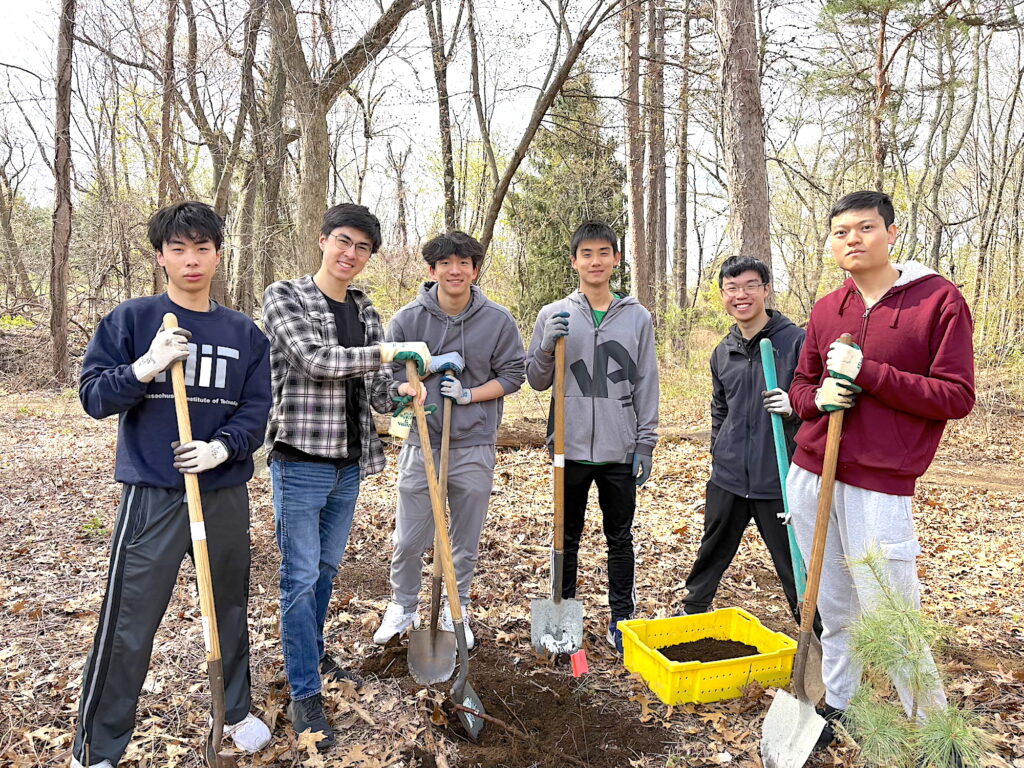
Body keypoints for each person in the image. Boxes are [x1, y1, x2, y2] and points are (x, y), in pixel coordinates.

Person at [72, 201, 272, 768]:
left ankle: (233, 711)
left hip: (223, 490)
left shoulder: (243, 334)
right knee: (129, 618)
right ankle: (99, 747)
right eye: (179, 249)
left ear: (217, 254)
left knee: (228, 605)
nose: (191, 260)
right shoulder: (133, 320)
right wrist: (143, 368)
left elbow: (256, 412)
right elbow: (92, 396)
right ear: (161, 256)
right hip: (155, 492)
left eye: (202, 249)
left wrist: (221, 448)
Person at [786, 191, 975, 749]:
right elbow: (800, 388)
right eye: (841, 231)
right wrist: (819, 397)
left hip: (880, 483)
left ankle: (933, 732)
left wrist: (871, 373)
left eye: (864, 228)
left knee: (891, 609)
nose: (852, 239)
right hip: (812, 473)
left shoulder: (937, 301)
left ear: (891, 233)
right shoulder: (827, 308)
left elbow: (956, 395)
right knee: (833, 606)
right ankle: (839, 703)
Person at [261, 203, 432, 750]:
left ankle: (314, 652)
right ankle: (305, 693)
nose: (350, 254)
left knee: (327, 572)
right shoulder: (285, 296)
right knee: (300, 577)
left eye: (362, 247)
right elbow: (315, 360)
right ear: (322, 240)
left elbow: (376, 391)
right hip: (299, 459)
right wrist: (386, 350)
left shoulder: (366, 310)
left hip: (349, 463)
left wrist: (403, 389)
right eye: (343, 241)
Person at [373, 231, 526, 648]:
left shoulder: (498, 320)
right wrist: (418, 379)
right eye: (445, 263)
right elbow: (387, 380)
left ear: (475, 270)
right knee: (408, 538)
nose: (454, 270)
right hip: (421, 442)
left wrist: (468, 394)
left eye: (464, 263)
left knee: (464, 540)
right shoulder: (407, 320)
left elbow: (513, 375)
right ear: (432, 270)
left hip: (474, 443)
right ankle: (403, 605)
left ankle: (455, 609)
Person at [525, 220, 659, 653]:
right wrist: (546, 345)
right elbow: (536, 380)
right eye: (587, 254)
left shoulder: (637, 317)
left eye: (604, 252)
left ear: (616, 259)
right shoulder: (555, 313)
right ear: (574, 261)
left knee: (620, 538)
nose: (595, 261)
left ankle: (621, 617)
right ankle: (562, 613)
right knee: (566, 537)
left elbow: (646, 383)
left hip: (619, 450)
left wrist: (645, 442)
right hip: (569, 449)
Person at [681, 256, 805, 622]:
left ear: (766, 290)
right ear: (722, 295)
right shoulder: (723, 351)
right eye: (732, 288)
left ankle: (815, 640)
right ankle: (691, 615)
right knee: (711, 553)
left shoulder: (796, 343)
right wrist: (719, 452)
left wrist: (794, 407)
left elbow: (818, 402)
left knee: (794, 565)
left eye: (751, 286)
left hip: (779, 479)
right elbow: (720, 408)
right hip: (730, 478)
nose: (742, 295)